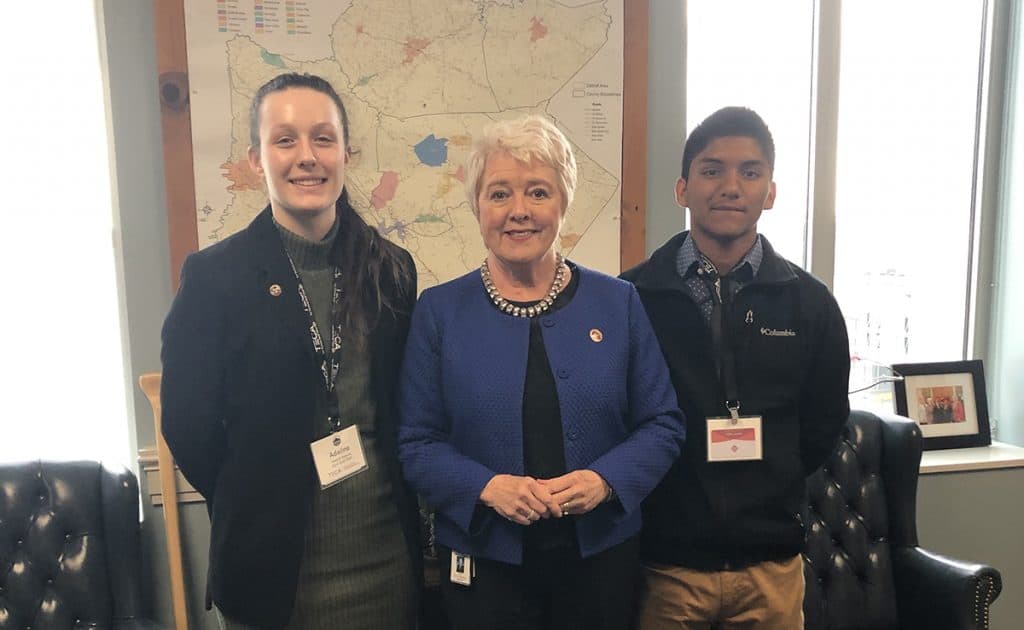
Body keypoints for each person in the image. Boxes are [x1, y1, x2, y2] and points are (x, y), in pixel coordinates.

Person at [398, 114, 686, 629]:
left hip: (600, 560)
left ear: (563, 202)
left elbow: (663, 424)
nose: (519, 212)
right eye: (499, 194)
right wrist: (486, 487)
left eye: (537, 192)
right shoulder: (439, 311)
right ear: (477, 206)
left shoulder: (617, 302)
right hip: (483, 563)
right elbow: (416, 445)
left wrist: (605, 480)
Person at [160, 73, 421, 629]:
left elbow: (401, 409)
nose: (307, 157)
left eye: (323, 138)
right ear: (256, 160)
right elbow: (188, 424)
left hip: (385, 566)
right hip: (271, 570)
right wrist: (256, 490)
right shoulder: (214, 278)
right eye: (285, 140)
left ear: (347, 153)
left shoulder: (393, 270)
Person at [621, 106, 851, 629]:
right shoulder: (632, 296)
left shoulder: (810, 305)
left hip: (770, 567)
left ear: (770, 192)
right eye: (711, 170)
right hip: (666, 565)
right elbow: (617, 415)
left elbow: (821, 424)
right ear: (682, 189)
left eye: (750, 172)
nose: (730, 186)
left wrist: (770, 481)